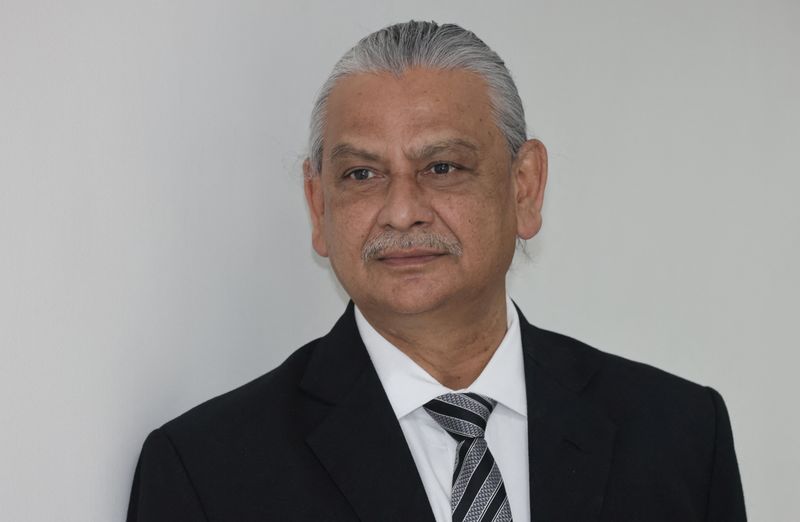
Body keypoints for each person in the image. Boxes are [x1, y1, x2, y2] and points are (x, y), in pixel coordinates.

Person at [126, 21, 746, 522]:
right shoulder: (205, 472)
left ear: (524, 187)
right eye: (361, 175)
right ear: (319, 206)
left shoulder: (680, 435)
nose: (400, 211)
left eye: (442, 167)